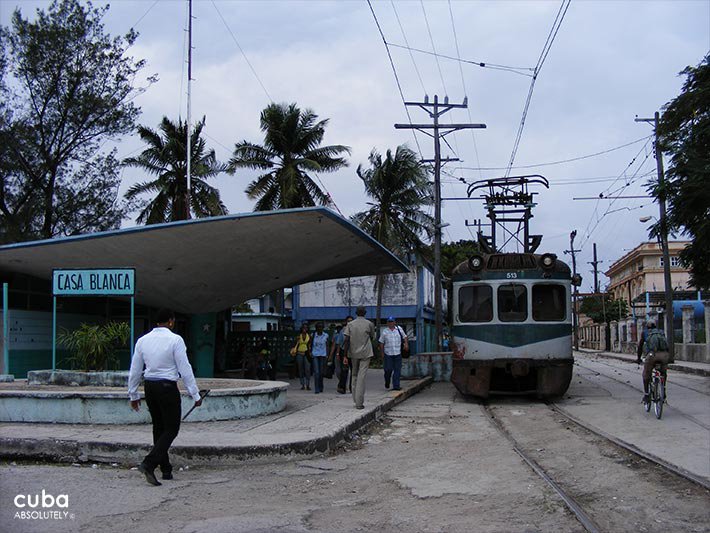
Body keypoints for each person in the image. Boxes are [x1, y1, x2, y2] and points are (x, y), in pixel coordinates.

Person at [128, 308, 202, 486]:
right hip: (167, 387)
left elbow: (135, 369)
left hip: (150, 387)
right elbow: (185, 368)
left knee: (158, 428)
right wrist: (195, 393)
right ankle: (149, 463)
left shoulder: (142, 341)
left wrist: (133, 394)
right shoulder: (175, 340)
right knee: (171, 429)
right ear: (170, 321)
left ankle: (166, 469)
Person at [343, 306, 375, 409]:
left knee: (354, 375)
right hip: (366, 352)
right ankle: (359, 403)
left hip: (353, 353)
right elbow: (372, 336)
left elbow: (346, 340)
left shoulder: (350, 325)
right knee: (361, 377)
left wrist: (345, 356)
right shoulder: (369, 324)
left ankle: (355, 399)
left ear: (356, 313)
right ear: (365, 313)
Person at [636, 321, 671, 404]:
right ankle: (663, 390)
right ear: (655, 326)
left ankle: (646, 394)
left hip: (652, 355)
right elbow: (666, 345)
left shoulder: (645, 333)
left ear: (647, 327)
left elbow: (640, 346)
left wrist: (638, 358)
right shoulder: (661, 332)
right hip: (664, 355)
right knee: (663, 372)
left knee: (646, 374)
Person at [379, 317, 408, 391]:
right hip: (388, 353)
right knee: (388, 369)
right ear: (387, 323)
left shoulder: (399, 329)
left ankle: (396, 386)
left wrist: (406, 344)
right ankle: (387, 380)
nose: (390, 323)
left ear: (394, 322)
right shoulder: (385, 332)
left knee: (397, 370)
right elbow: (381, 343)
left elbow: (405, 336)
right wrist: (382, 353)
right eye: (389, 322)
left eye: (392, 321)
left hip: (397, 353)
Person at [332, 316, 353, 394]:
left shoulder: (355, 330)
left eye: (351, 321)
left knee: (353, 370)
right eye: (348, 321)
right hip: (344, 352)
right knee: (344, 370)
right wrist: (337, 353)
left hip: (353, 352)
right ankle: (342, 387)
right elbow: (339, 343)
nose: (349, 322)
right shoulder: (343, 330)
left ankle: (352, 387)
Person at [309, 322, 329, 394]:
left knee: (321, 372)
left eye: (321, 327)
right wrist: (310, 352)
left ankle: (321, 386)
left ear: (323, 328)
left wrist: (327, 355)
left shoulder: (326, 335)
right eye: (318, 327)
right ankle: (316, 388)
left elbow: (327, 346)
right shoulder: (313, 335)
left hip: (323, 355)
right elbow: (310, 344)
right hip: (315, 355)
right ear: (316, 328)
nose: (319, 328)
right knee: (316, 372)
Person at [293, 324, 311, 390]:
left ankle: (308, 384)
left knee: (307, 369)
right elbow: (295, 345)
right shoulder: (298, 336)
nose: (305, 329)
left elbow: (310, 345)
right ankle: (302, 384)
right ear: (301, 328)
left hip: (307, 354)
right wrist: (296, 340)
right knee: (301, 369)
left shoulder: (309, 336)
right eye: (303, 328)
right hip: (299, 353)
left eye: (306, 328)